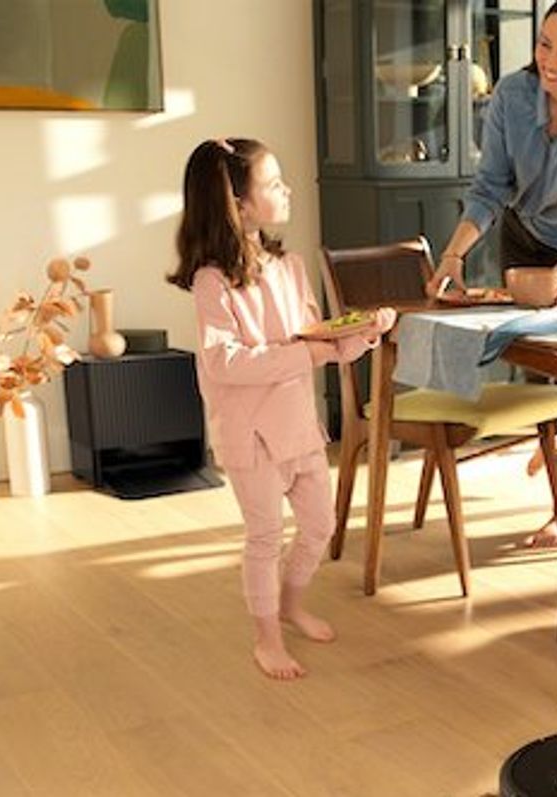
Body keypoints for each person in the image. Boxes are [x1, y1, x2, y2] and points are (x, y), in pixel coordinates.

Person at [167, 138, 396, 680]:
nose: (287, 189)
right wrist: (309, 350)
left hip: (297, 425)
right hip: (251, 438)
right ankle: (266, 636)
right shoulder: (212, 282)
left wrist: (365, 334)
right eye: (272, 184)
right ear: (238, 205)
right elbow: (225, 363)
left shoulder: (290, 266)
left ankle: (292, 604)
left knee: (321, 522)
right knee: (265, 537)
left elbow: (321, 342)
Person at [427, 0, 557, 547]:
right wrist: (453, 256)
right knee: (538, 365)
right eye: (544, 44)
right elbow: (490, 187)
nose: (549, 61)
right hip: (523, 235)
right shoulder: (512, 98)